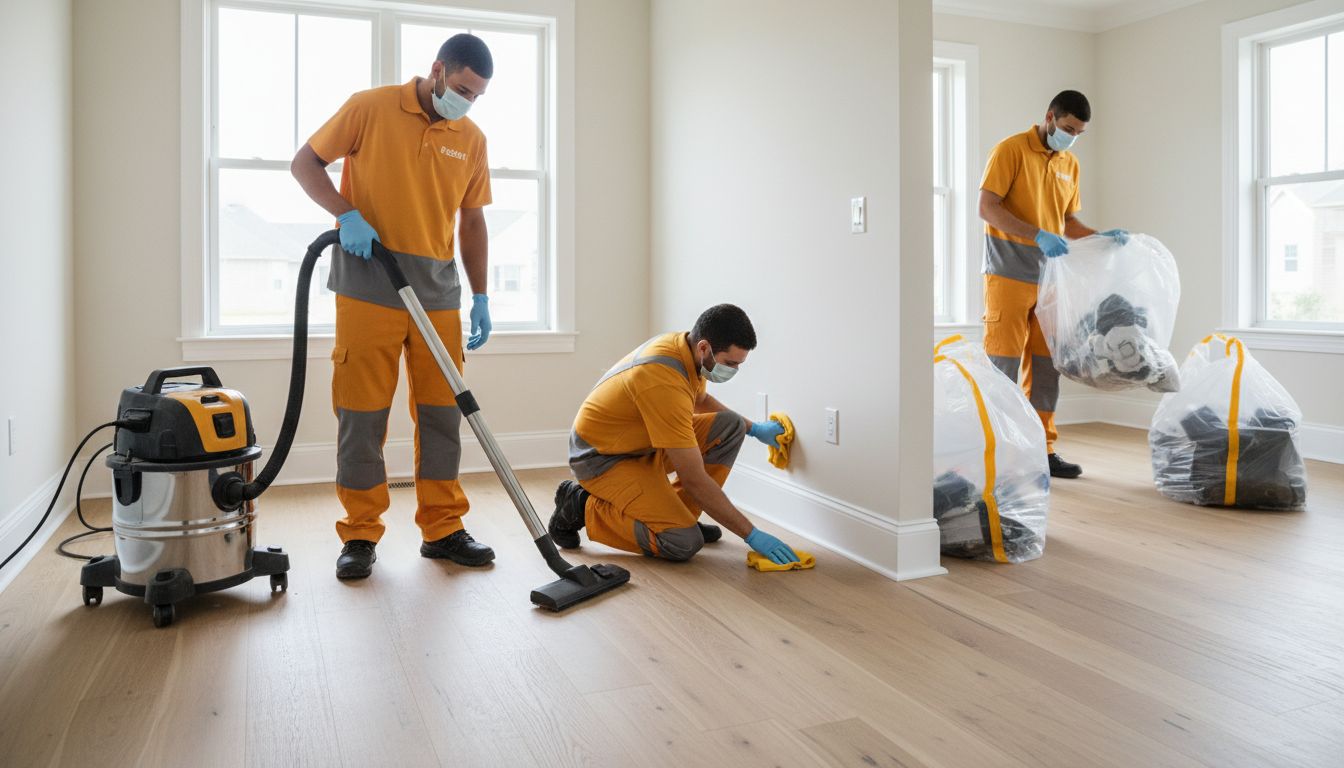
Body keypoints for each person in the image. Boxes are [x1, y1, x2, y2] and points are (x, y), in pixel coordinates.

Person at [291, 34, 497, 579]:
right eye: (460, 89)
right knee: (362, 415)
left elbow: (472, 220)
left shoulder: (470, 138)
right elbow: (305, 164)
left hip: (438, 294)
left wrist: (480, 294)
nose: (465, 102)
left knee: (441, 415)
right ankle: (360, 533)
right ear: (437, 70)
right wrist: (346, 214)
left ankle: (444, 528)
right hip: (369, 285)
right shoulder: (371, 107)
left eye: (475, 96)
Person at [549, 304, 801, 565]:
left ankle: (680, 516)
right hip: (601, 458)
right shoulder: (662, 380)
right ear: (705, 348)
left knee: (731, 426)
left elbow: (700, 398)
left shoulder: (687, 351)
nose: (734, 371)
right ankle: (580, 505)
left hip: (641, 443)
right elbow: (694, 479)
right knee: (682, 542)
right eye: (730, 363)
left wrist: (754, 429)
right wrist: (752, 535)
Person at [977, 89, 1128, 479]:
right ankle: (1000, 453)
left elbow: (1066, 223)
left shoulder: (1069, 164)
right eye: (1066, 128)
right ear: (1049, 117)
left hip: (1050, 279)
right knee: (1003, 366)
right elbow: (987, 207)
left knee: (1047, 367)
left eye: (1078, 132)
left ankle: (1042, 451)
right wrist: (1036, 234)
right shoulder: (1010, 150)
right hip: (1008, 274)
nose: (1071, 136)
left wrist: (1099, 237)